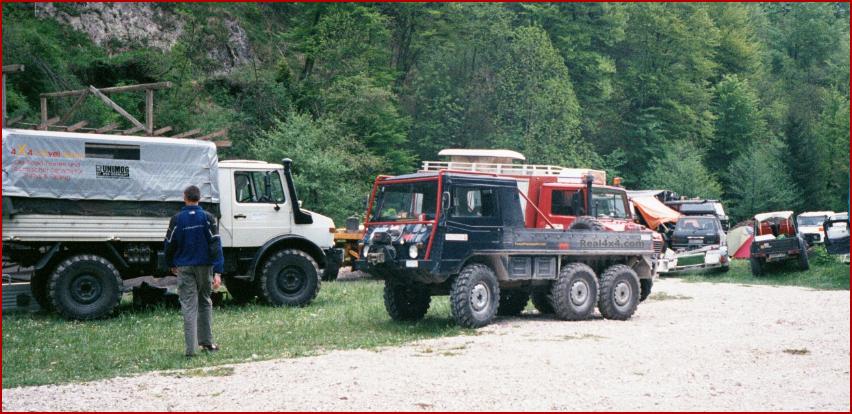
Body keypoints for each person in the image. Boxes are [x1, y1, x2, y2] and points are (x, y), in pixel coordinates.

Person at [164, 185, 225, 357]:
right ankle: (206, 343)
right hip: (205, 267)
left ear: (185, 197)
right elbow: (216, 245)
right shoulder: (208, 218)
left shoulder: (177, 219)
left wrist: (171, 263)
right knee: (205, 301)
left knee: (189, 305)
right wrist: (218, 272)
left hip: (184, 267)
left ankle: (191, 350)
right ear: (199, 198)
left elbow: (169, 243)